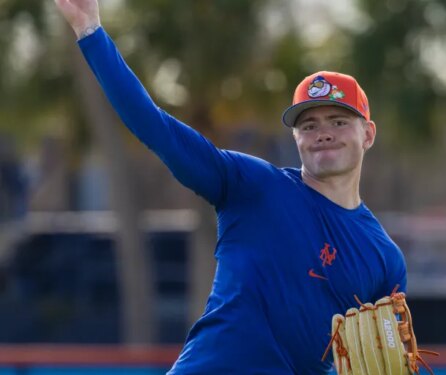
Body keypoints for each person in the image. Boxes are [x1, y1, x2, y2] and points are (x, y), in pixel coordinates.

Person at [54, 0, 407, 373]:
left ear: (367, 134)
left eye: (338, 122)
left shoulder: (383, 258)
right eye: (309, 125)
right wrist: (91, 32)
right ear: (297, 138)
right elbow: (156, 127)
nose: (323, 134)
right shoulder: (253, 188)